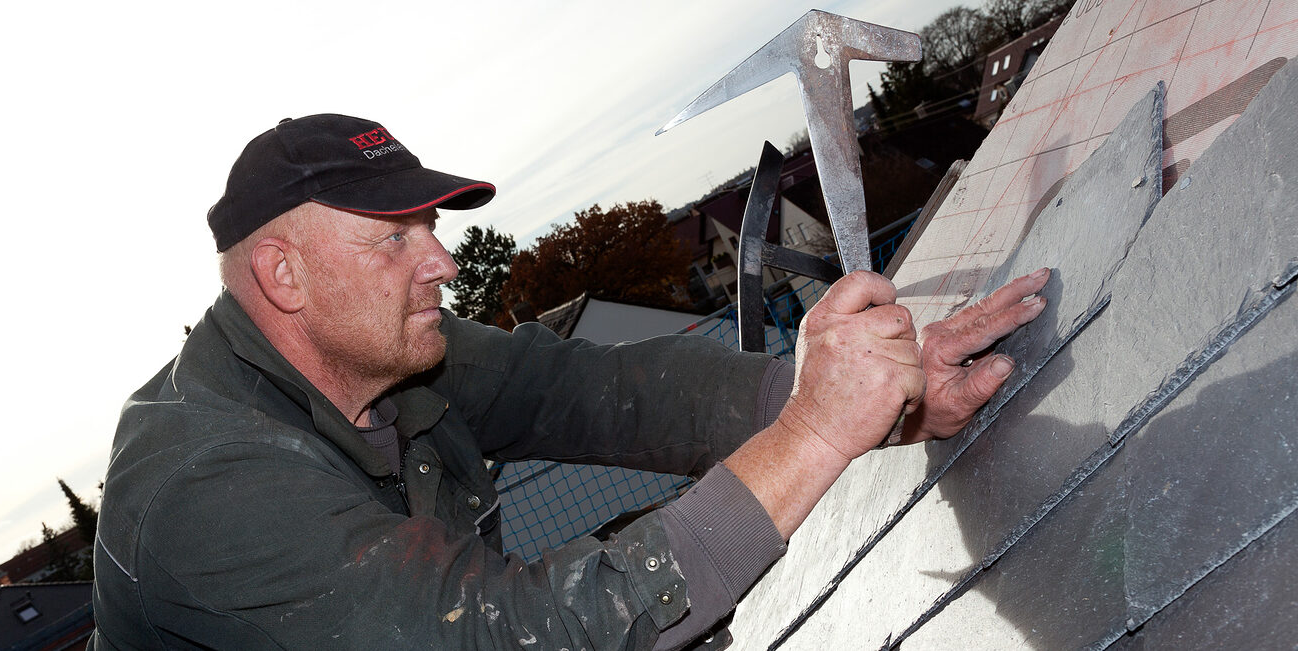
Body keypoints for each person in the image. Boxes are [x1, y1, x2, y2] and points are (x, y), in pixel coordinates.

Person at [89, 114, 1050, 650]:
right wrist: (815, 437)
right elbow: (515, 637)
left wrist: (871, 399)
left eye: (432, 227)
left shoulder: (383, 349)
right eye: (395, 239)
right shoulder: (205, 494)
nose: (443, 263)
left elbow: (599, 392)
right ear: (283, 277)